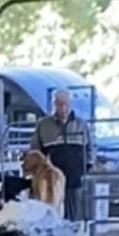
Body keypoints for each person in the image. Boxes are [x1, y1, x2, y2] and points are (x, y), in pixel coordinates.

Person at [34, 89, 91, 222]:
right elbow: (36, 151)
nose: (63, 107)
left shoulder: (81, 125)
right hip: (51, 179)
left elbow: (91, 148)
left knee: (73, 214)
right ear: (54, 105)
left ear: (70, 104)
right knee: (51, 212)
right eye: (59, 104)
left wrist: (87, 166)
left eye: (65, 104)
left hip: (74, 176)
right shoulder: (43, 125)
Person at [21, 149, 66, 213]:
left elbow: (48, 203)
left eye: (27, 162)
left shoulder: (45, 177)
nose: (23, 165)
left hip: (47, 214)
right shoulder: (57, 173)